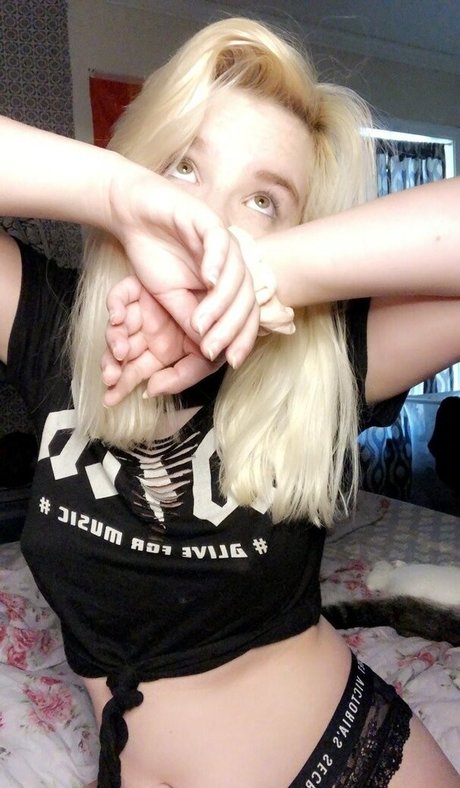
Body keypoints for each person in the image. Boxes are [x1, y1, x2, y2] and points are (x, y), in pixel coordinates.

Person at [0, 16, 459, 788]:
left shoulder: (325, 359)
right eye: (184, 166)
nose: (211, 218)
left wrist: (265, 275)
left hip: (340, 763)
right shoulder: (51, 323)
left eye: (264, 200)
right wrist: (115, 192)